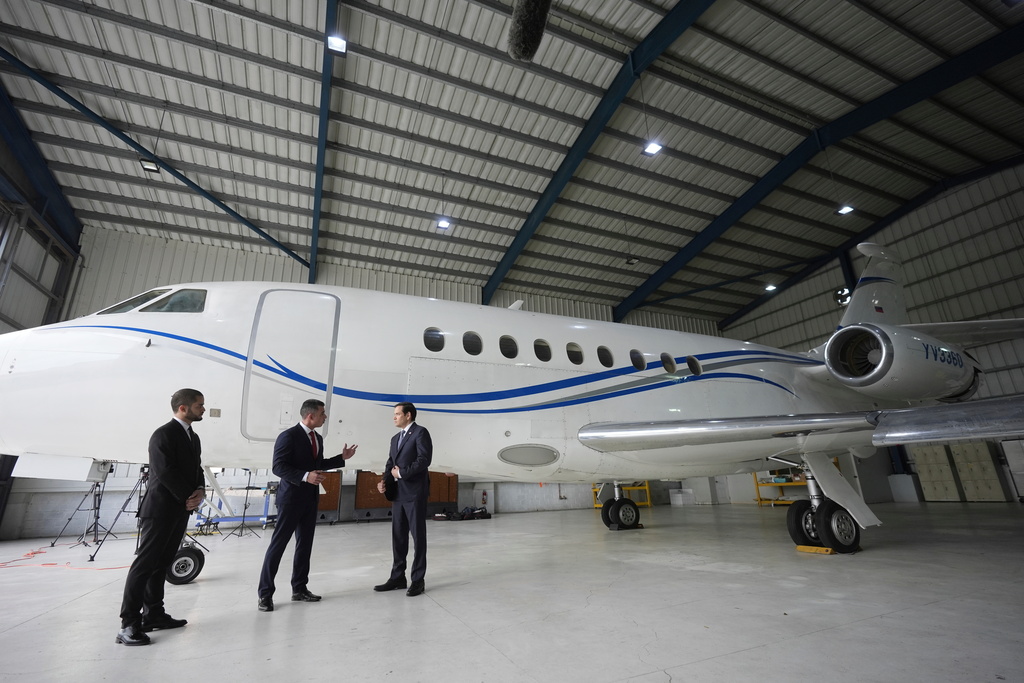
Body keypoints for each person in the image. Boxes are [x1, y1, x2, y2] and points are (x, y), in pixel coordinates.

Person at [117, 388, 207, 646]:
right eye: (199, 405)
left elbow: (196, 467)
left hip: (180, 509)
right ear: (183, 408)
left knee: (162, 562)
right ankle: (128, 624)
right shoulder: (163, 434)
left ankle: (154, 614)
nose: (203, 409)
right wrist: (187, 496)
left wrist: (199, 490)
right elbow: (164, 471)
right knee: (144, 565)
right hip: (160, 510)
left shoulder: (193, 437)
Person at [257, 399, 357, 612]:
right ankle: (265, 594)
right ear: (310, 415)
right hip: (291, 499)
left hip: (310, 499)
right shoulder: (288, 436)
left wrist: (342, 458)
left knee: (304, 545)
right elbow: (278, 466)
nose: (325, 417)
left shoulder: (317, 438)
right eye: (322, 414)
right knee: (278, 545)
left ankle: (299, 589)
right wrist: (304, 476)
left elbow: (316, 465)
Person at [375, 402, 432, 597]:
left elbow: (424, 460)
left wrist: (402, 474)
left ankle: (418, 580)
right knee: (398, 537)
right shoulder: (394, 438)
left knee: (418, 538)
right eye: (394, 414)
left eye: (397, 414)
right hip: (398, 495)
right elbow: (390, 463)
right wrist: (384, 481)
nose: (394, 417)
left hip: (414, 493)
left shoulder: (420, 433)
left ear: (408, 415)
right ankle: (398, 577)